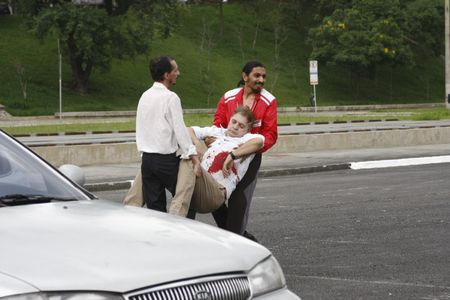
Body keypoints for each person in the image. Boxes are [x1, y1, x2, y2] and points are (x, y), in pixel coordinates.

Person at [212, 61, 278, 240]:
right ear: (245, 76)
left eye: (264, 76)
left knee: (238, 198)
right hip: (223, 153)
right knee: (213, 195)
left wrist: (247, 148)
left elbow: (270, 135)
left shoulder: (269, 100)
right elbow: (217, 123)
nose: (261, 80)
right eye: (257, 76)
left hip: (250, 158)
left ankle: (235, 239)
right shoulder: (228, 97)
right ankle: (242, 238)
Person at [168, 106, 264, 217]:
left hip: (216, 193)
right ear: (230, 119)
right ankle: (144, 212)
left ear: (248, 130)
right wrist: (197, 143)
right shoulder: (217, 132)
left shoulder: (246, 139)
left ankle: (176, 215)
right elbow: (188, 130)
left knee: (190, 158)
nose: (236, 127)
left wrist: (232, 156)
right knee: (155, 163)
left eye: (241, 126)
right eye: (234, 122)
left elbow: (259, 142)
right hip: (199, 185)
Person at [135, 55, 199, 212]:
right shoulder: (171, 97)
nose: (179, 73)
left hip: (147, 162)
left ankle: (159, 237)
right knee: (186, 202)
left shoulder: (145, 96)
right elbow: (180, 130)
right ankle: (180, 236)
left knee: (156, 211)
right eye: (175, 70)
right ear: (166, 75)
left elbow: (141, 127)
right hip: (165, 162)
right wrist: (194, 156)